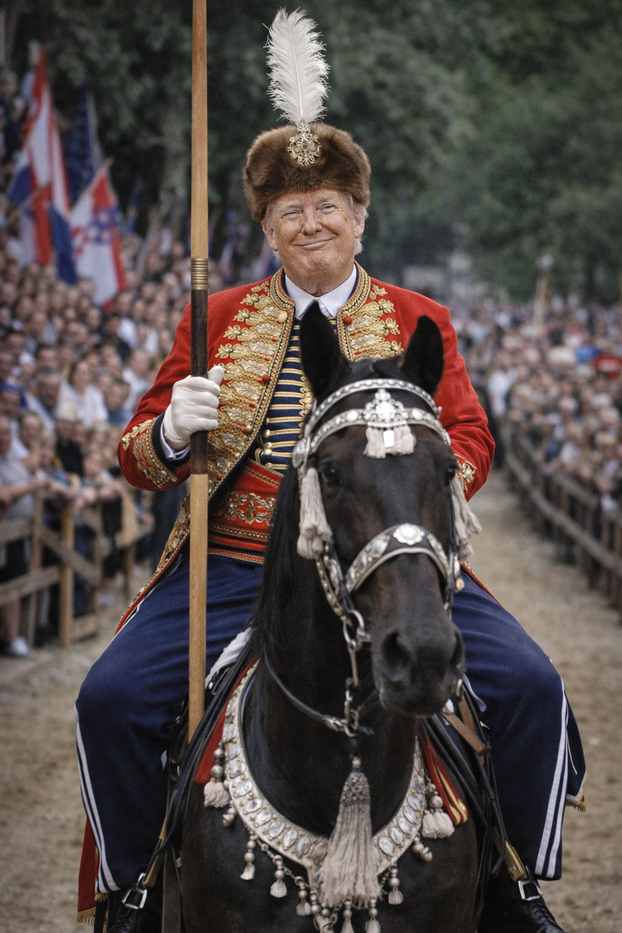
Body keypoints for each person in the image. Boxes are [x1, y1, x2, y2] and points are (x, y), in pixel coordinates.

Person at [75, 13, 584, 933]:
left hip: (395, 561)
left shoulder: (419, 315)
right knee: (106, 699)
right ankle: (133, 887)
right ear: (267, 226)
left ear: (359, 216)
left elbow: (470, 435)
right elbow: (134, 454)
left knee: (533, 687)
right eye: (289, 212)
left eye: (328, 208)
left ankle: (515, 880)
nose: (311, 224)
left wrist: (415, 508)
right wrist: (172, 431)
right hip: (234, 569)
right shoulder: (217, 314)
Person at [0, 415, 49, 656]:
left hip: (17, 535)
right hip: (5, 533)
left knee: (15, 585)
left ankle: (14, 637)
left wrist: (36, 441)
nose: (4, 437)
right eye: (1, 432)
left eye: (7, 432)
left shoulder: (13, 460)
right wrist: (29, 488)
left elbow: (35, 469)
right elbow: (4, 495)